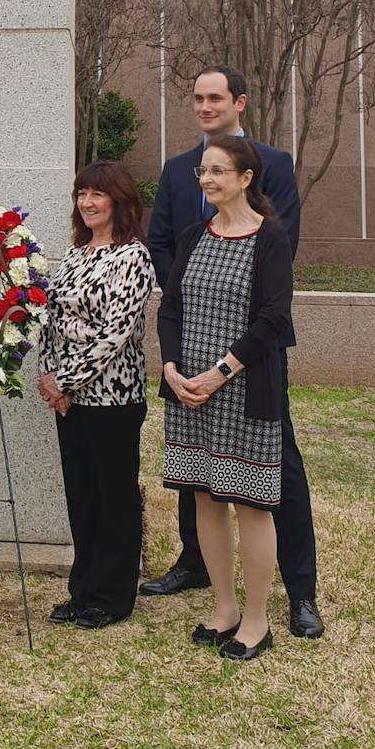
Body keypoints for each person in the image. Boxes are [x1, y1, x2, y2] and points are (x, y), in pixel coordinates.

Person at [143, 65, 323, 641]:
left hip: (252, 352)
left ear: (238, 103)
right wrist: (180, 344)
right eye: (196, 98)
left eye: (214, 97)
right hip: (189, 341)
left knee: (275, 470)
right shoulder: (176, 172)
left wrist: (227, 356)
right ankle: (199, 569)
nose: (204, 106)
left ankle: (299, 593)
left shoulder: (274, 165)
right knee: (200, 472)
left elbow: (280, 252)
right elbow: (162, 245)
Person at [158, 135, 292, 660]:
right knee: (204, 499)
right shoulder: (193, 236)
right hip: (188, 391)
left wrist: (217, 374)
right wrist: (171, 369)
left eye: (218, 171)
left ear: (245, 178)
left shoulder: (270, 240)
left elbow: (273, 319)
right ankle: (224, 610)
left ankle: (256, 622)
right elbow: (172, 309)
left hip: (241, 393)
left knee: (251, 505)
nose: (208, 179)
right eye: (203, 172)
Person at [37, 162, 156, 630]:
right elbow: (48, 318)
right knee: (82, 495)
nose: (88, 202)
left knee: (114, 496)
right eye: (82, 193)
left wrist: (64, 379)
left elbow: (115, 334)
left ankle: (112, 596)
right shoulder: (75, 254)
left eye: (98, 194)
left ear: (119, 201)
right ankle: (82, 588)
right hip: (70, 400)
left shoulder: (134, 257)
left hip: (113, 398)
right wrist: (50, 376)